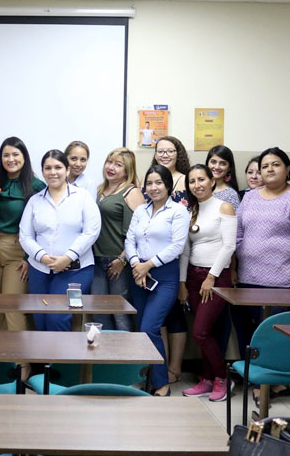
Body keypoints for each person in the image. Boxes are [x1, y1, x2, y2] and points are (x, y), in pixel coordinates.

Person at [234, 147, 290, 403]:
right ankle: (265, 380)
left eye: (276, 164)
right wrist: (236, 268)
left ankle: (274, 383)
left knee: (277, 335)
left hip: (286, 281)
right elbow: (238, 234)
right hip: (249, 280)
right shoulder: (249, 198)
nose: (269, 169)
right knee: (254, 333)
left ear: (288, 168)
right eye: (265, 165)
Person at [125, 164, 190, 396]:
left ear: (168, 186)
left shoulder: (178, 211)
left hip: (163, 276)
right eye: (149, 183)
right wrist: (135, 264)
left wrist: (147, 265)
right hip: (139, 274)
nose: (153, 188)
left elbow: (177, 246)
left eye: (158, 183)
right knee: (143, 332)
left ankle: (162, 383)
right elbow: (129, 239)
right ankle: (152, 378)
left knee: (150, 327)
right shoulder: (141, 211)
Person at [19, 150, 100, 332]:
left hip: (75, 270)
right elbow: (25, 236)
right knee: (40, 317)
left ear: (66, 169)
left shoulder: (82, 197)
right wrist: (44, 258)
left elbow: (91, 232)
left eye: (58, 167)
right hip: (40, 269)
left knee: (57, 317)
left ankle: (60, 361)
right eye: (48, 168)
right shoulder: (35, 201)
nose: (53, 172)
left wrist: (68, 257)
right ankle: (45, 361)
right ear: (42, 171)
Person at [178, 165, 236, 402]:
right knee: (205, 331)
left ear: (212, 181)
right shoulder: (192, 210)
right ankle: (208, 379)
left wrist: (211, 277)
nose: (197, 185)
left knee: (200, 333)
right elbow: (185, 250)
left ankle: (223, 378)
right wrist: (182, 282)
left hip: (216, 278)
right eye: (192, 181)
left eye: (201, 179)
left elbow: (229, 246)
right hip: (193, 277)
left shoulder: (224, 206)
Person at [0, 137, 45, 331]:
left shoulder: (36, 186)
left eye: (15, 154)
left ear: (24, 157)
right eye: (6, 155)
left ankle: (22, 361)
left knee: (12, 306)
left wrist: (28, 257)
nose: (10, 159)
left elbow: (42, 226)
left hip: (18, 250)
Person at [149, 135, 191, 384]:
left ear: (179, 153)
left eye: (170, 151)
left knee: (175, 313)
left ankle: (174, 367)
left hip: (180, 251)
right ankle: (159, 367)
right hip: (153, 257)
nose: (165, 155)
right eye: (160, 151)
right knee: (159, 317)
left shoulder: (186, 180)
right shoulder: (153, 178)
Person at [91, 148, 144, 331]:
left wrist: (122, 260)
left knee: (120, 312)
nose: (111, 167)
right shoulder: (99, 190)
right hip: (96, 259)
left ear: (127, 171)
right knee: (98, 311)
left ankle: (125, 358)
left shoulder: (132, 192)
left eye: (118, 164)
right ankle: (105, 357)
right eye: (109, 162)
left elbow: (139, 230)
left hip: (118, 261)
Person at [206, 145, 240, 210]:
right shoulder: (200, 187)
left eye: (223, 163)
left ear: (229, 168)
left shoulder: (231, 195)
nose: (217, 167)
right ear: (207, 163)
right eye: (213, 162)